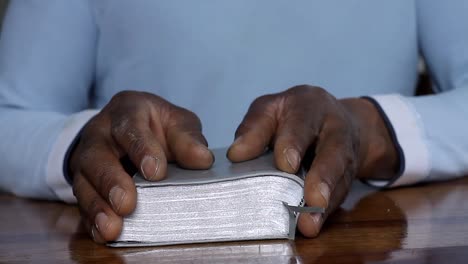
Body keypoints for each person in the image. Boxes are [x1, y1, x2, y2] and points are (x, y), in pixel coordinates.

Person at [0, 0, 467, 244]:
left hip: (358, 241)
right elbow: (10, 116)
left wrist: (371, 129)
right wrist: (81, 142)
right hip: (132, 236)